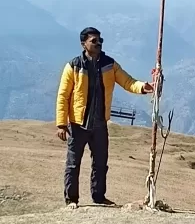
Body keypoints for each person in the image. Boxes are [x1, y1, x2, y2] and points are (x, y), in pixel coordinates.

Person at [56, 28, 153, 207]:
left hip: (100, 124)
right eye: (94, 40)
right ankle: (71, 199)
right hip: (78, 125)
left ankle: (99, 197)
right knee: (73, 164)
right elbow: (63, 95)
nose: (98, 43)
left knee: (100, 163)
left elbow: (127, 81)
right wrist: (61, 124)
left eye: (100, 40)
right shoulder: (73, 66)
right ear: (83, 44)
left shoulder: (109, 64)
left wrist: (142, 87)